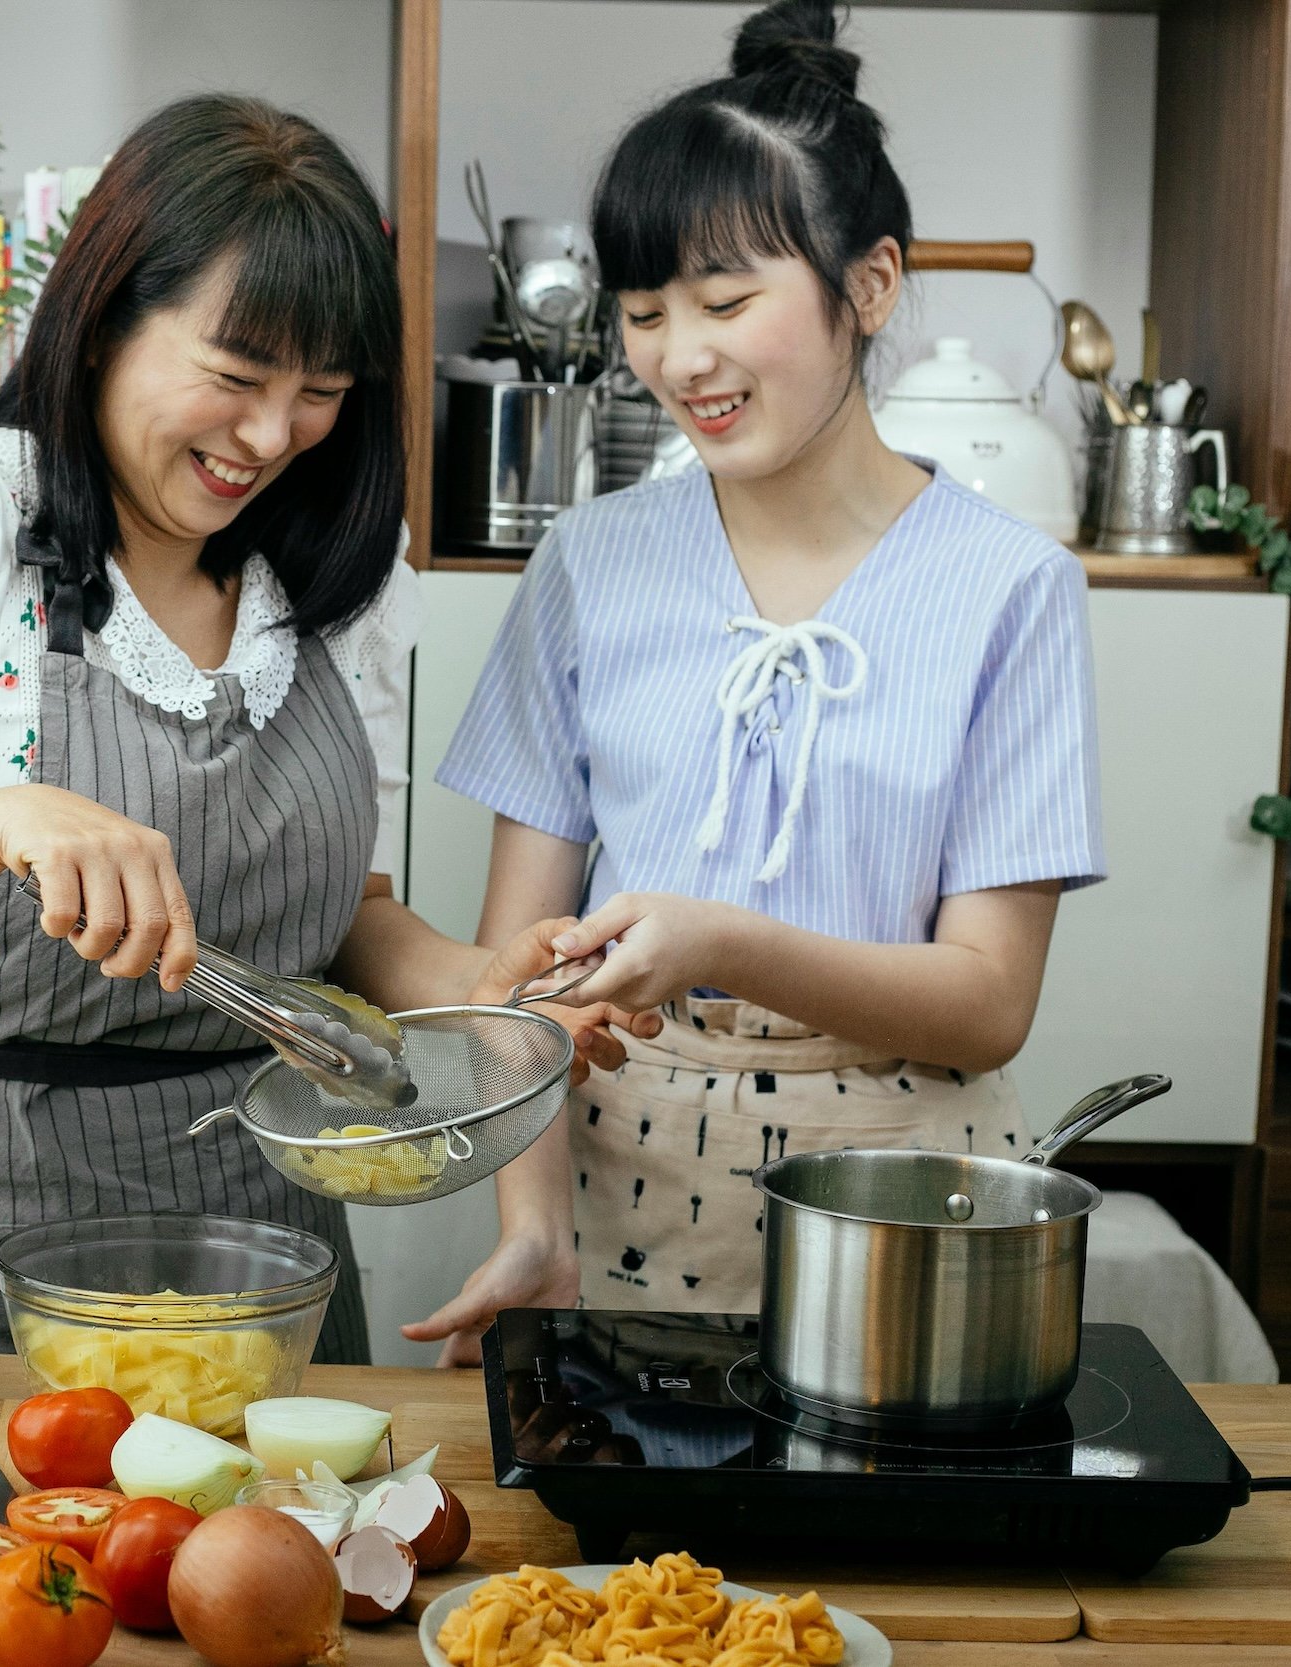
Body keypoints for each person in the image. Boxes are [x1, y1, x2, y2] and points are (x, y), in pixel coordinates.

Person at [0, 94, 647, 1359]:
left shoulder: (336, 580)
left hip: (267, 1241)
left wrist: (473, 993)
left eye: (319, 391)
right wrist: (4, 817)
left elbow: (347, 920)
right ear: (107, 317)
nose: (271, 436)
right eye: (233, 377)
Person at [406, 0, 1104, 1363]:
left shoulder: (1010, 586)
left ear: (873, 285)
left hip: (910, 1205)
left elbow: (987, 1001)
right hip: (622, 1189)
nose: (680, 357)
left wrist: (723, 939)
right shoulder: (587, 565)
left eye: (729, 302)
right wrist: (533, 1221)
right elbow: (524, 983)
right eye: (648, 310)